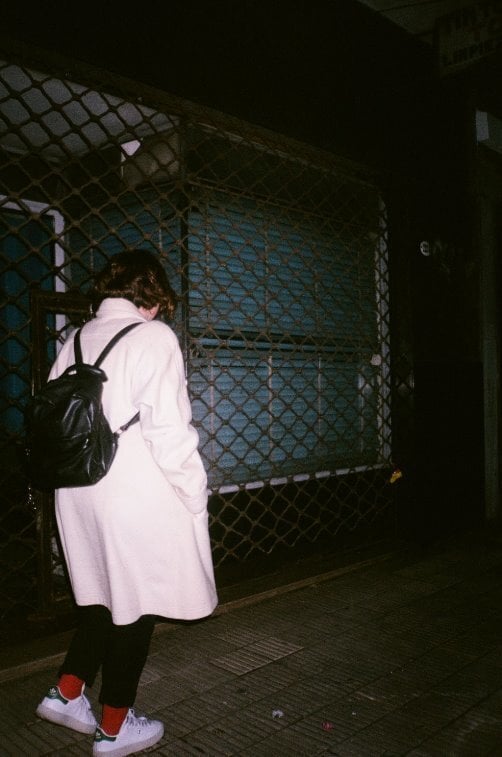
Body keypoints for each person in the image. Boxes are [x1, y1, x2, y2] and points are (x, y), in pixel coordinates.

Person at [35, 249, 218, 756]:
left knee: (104, 593)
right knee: (136, 605)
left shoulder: (75, 339)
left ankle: (66, 693)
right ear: (153, 296)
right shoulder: (153, 337)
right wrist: (194, 492)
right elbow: (169, 430)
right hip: (130, 493)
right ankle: (115, 728)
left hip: (76, 491)